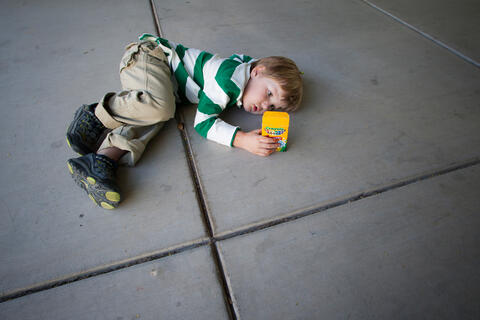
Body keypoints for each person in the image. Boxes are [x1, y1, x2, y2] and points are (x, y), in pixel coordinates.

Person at [66, 34, 303, 209]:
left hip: (169, 87)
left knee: (157, 115)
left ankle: (101, 160)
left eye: (272, 107)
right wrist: (241, 139)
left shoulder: (245, 70)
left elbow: (244, 59)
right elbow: (203, 124)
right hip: (149, 57)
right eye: (269, 94)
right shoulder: (227, 80)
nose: (264, 107)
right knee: (160, 107)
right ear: (256, 72)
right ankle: (95, 114)